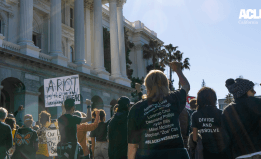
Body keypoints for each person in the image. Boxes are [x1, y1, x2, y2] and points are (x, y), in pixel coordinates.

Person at [127, 61, 190, 159]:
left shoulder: (136, 108)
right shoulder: (173, 99)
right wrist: (178, 71)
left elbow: (132, 145)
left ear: (147, 86)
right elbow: (186, 86)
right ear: (166, 85)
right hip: (176, 154)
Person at [222, 78, 261, 159]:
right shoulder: (258, 103)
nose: (255, 92)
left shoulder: (227, 110)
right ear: (245, 91)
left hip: (239, 154)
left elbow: (226, 138)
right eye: (252, 89)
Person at [191, 87, 228, 159]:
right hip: (220, 152)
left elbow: (195, 138)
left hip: (203, 153)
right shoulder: (220, 113)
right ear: (214, 99)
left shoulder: (195, 115)